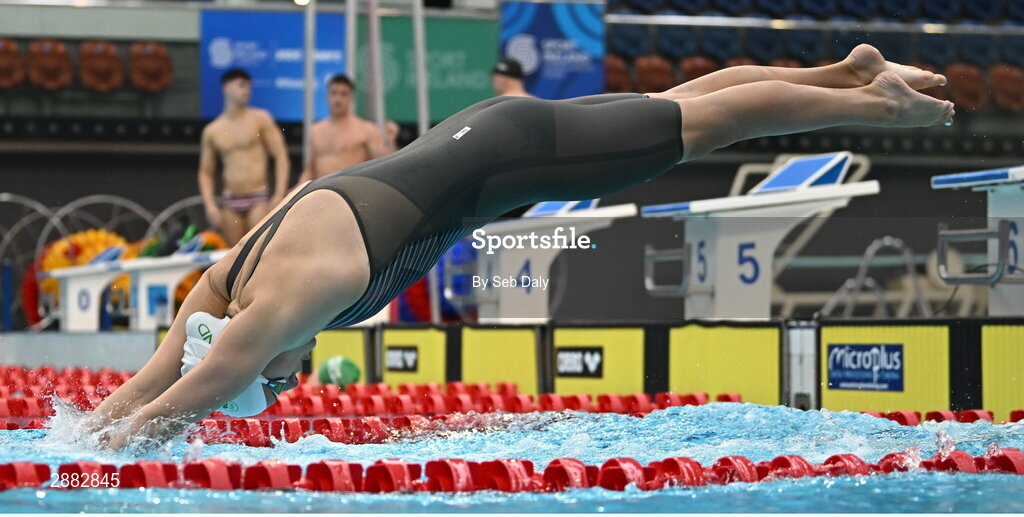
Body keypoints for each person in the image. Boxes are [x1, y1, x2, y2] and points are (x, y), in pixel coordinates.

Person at [89, 45, 952, 452]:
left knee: (701, 124)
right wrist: (85, 432)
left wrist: (109, 457)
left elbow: (204, 381)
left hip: (509, 154)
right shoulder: (230, 274)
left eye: (280, 375)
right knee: (674, 106)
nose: (291, 380)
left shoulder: (291, 299)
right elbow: (163, 364)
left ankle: (878, 107)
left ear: (264, 344)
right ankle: (845, 72)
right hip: (483, 137)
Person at [198, 68, 291, 246]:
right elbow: (205, 172)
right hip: (230, 200)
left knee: (257, 253)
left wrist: (279, 194)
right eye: (241, 86)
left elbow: (280, 156)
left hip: (257, 198)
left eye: (249, 86)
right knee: (234, 256)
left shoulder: (260, 119)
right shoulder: (212, 130)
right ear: (226, 88)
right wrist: (209, 204)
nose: (246, 90)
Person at [298, 74, 398, 182]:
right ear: (327, 96)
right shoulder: (316, 130)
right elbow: (310, 170)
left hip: (351, 191)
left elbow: (386, 164)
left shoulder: (365, 129)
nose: (338, 98)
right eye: (334, 93)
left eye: (344, 94)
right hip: (322, 192)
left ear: (352, 98)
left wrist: (390, 141)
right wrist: (295, 194)